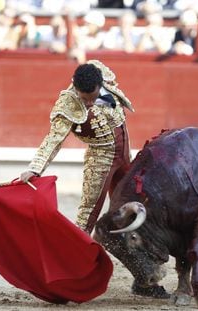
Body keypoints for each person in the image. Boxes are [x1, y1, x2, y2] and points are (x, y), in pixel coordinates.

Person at [20, 60, 134, 234]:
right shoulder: (67, 103)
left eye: (93, 97)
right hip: (100, 158)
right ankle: (75, 256)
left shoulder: (100, 74)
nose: (88, 103)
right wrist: (35, 169)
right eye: (83, 98)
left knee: (129, 203)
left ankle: (128, 251)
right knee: (87, 214)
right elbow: (54, 138)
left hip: (125, 153)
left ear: (100, 84)